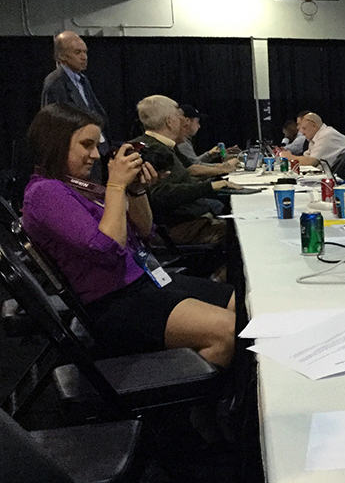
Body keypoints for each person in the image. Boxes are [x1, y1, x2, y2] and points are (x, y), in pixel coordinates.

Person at [21, 103, 235, 366]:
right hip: (113, 302)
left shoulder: (76, 186)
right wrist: (115, 185)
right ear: (56, 143)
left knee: (241, 304)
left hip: (143, 281)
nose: (96, 155)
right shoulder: (45, 192)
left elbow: (144, 231)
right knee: (228, 331)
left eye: (95, 145)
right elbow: (107, 247)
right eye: (86, 145)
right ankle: (191, 402)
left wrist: (135, 190)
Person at [131, 95, 238, 245]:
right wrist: (211, 186)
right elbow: (160, 195)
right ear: (169, 121)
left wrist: (219, 174)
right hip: (178, 228)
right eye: (178, 116)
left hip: (186, 222)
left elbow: (191, 169)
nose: (181, 120)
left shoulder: (162, 146)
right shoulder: (154, 151)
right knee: (241, 236)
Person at [40, 31, 108, 183]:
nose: (84, 57)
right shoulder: (55, 83)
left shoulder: (82, 80)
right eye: (77, 52)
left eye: (85, 52)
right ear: (62, 56)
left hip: (94, 150)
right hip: (75, 158)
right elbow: (54, 125)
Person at [174, 103, 238, 178]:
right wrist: (224, 167)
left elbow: (192, 163)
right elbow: (194, 168)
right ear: (187, 121)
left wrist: (209, 154)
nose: (199, 126)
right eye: (197, 122)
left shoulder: (183, 142)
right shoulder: (182, 143)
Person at [278, 112, 345, 167]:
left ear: (314, 126)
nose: (302, 132)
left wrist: (289, 157)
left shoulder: (326, 135)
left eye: (304, 128)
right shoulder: (314, 138)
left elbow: (312, 162)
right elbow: (306, 157)